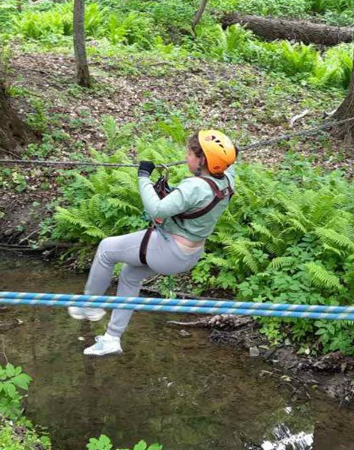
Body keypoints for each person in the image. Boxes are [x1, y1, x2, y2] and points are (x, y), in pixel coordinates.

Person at [68, 130, 237, 356]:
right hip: (188, 255)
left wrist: (143, 177)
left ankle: (89, 305)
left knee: (106, 248)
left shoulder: (194, 187)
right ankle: (112, 338)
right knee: (130, 275)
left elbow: (157, 209)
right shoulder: (227, 180)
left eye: (189, 154)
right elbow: (233, 161)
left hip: (167, 249)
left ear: (202, 160)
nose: (186, 157)